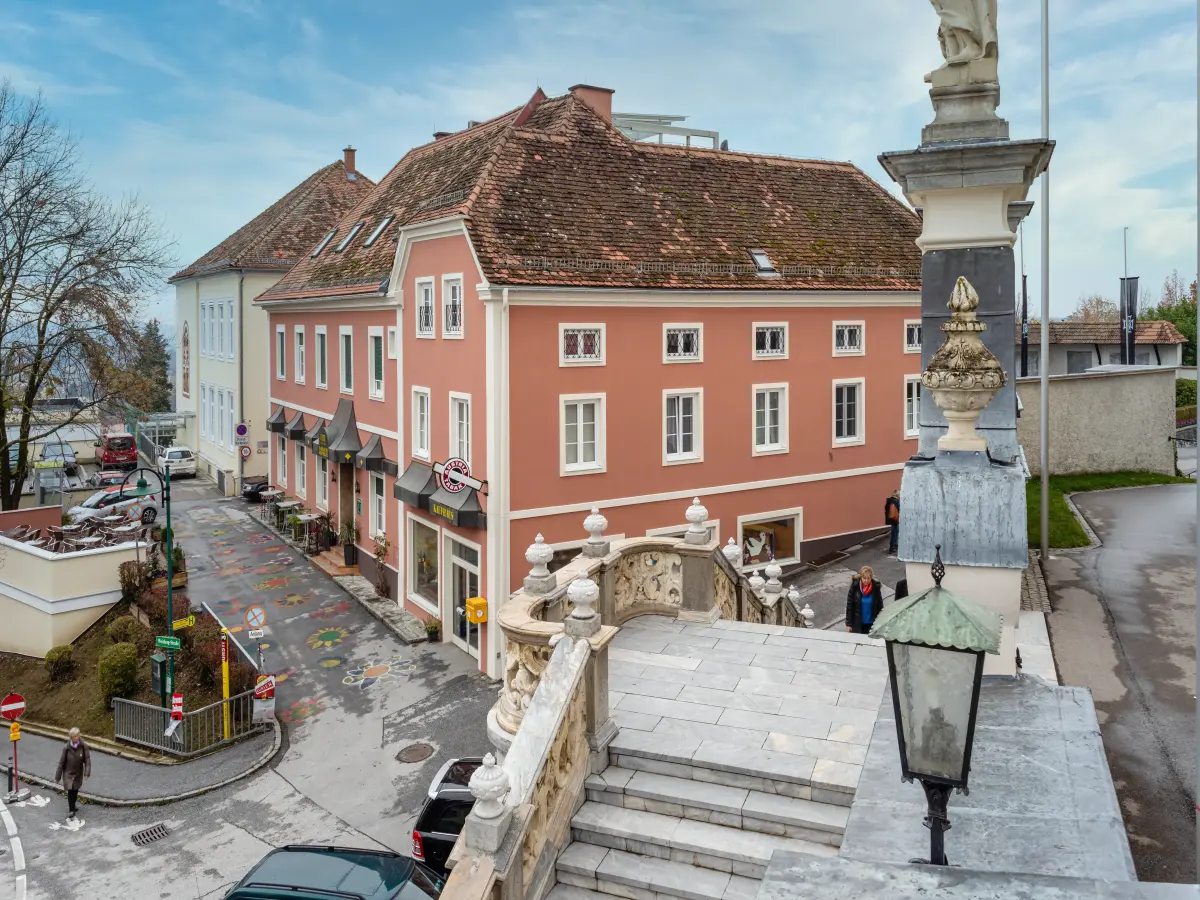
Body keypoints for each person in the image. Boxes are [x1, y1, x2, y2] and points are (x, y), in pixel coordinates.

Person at [54, 727, 90, 820]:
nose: (77, 737)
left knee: (75, 790)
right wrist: (57, 776)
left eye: (78, 735)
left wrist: (87, 772)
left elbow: (87, 760)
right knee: (70, 790)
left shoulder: (83, 746)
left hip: (78, 772)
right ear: (71, 737)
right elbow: (61, 762)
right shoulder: (66, 748)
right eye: (75, 736)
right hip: (68, 773)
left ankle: (73, 805)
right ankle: (71, 809)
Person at [846, 566, 884, 635]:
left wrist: (881, 623)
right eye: (864, 578)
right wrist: (849, 624)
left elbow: (880, 606)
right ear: (861, 577)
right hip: (857, 624)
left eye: (868, 578)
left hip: (872, 624)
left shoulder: (876, 588)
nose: (866, 581)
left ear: (871, 577)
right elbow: (850, 606)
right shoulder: (855, 587)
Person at [884, 490, 901, 555]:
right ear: (897, 495)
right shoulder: (896, 501)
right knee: (895, 534)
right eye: (899, 494)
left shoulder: (889, 500)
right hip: (895, 519)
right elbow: (900, 509)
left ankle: (893, 546)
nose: (900, 495)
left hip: (891, 519)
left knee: (893, 533)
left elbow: (886, 510)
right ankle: (892, 548)